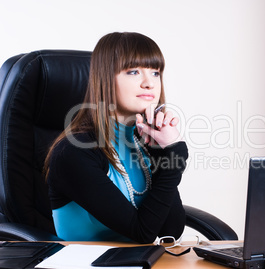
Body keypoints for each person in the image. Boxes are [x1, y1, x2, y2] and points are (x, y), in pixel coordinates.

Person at [44, 32, 188, 243]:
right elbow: (142, 234)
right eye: (133, 72)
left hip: (136, 262)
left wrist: (163, 153)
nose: (149, 83)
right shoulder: (74, 151)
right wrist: (177, 153)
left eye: (155, 73)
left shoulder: (143, 144)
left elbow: (171, 230)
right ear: (106, 79)